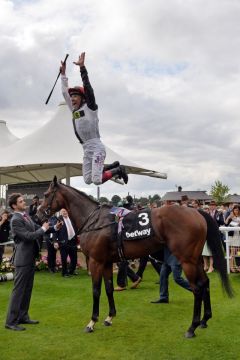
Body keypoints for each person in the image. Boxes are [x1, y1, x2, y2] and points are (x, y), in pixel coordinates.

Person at [60, 52, 128, 186]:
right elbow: (64, 92)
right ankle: (111, 166)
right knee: (87, 179)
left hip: (96, 147)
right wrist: (63, 75)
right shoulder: (74, 110)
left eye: (75, 96)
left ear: (83, 98)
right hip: (86, 149)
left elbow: (89, 89)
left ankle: (119, 169)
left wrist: (82, 68)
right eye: (71, 96)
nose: (72, 99)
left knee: (96, 180)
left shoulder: (90, 107)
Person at [5, 193, 62, 331]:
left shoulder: (25, 216)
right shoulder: (15, 220)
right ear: (14, 205)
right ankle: (11, 321)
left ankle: (23, 316)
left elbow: (37, 228)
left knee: (27, 289)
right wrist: (43, 229)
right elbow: (27, 237)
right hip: (22, 259)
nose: (24, 202)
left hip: (30, 258)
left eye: (23, 200)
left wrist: (54, 228)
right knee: (18, 291)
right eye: (21, 201)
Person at [56, 208, 78, 277]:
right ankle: (64, 273)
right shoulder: (59, 220)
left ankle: (71, 271)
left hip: (73, 241)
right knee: (64, 258)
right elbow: (56, 231)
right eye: (63, 212)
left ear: (67, 211)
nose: (64, 213)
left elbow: (75, 228)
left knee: (74, 258)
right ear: (60, 213)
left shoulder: (71, 219)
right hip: (64, 242)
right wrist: (55, 241)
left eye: (65, 211)